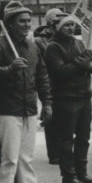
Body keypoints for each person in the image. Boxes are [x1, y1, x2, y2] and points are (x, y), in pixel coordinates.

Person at [0, 1, 55, 183]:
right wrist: (8, 70)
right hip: (6, 108)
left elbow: (42, 77)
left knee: (26, 157)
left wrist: (47, 103)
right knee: (10, 157)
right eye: (21, 21)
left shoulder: (33, 47)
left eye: (28, 21)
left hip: (29, 108)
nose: (26, 25)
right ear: (10, 24)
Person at [45, 15, 92, 183]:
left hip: (84, 96)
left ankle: (82, 173)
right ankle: (68, 177)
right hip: (66, 99)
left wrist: (89, 64)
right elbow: (60, 72)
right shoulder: (53, 48)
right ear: (58, 28)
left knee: (84, 137)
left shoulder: (79, 44)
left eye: (72, 25)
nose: (70, 28)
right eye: (66, 25)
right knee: (66, 139)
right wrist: (81, 63)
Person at [37, 8, 67, 165]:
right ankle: (53, 153)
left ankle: (63, 150)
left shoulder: (64, 37)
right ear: (49, 24)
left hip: (62, 82)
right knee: (50, 117)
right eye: (56, 22)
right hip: (48, 81)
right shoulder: (39, 41)